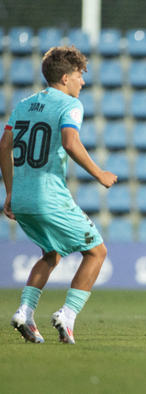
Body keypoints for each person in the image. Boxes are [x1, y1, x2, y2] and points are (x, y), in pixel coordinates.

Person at [0, 45, 117, 344]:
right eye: (79, 75)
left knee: (50, 254)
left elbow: (3, 147)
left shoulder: (24, 104)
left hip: (22, 198)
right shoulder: (69, 105)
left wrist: (10, 192)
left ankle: (25, 312)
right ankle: (67, 315)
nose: (83, 82)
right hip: (48, 197)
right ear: (65, 78)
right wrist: (99, 173)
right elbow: (69, 141)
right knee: (96, 251)